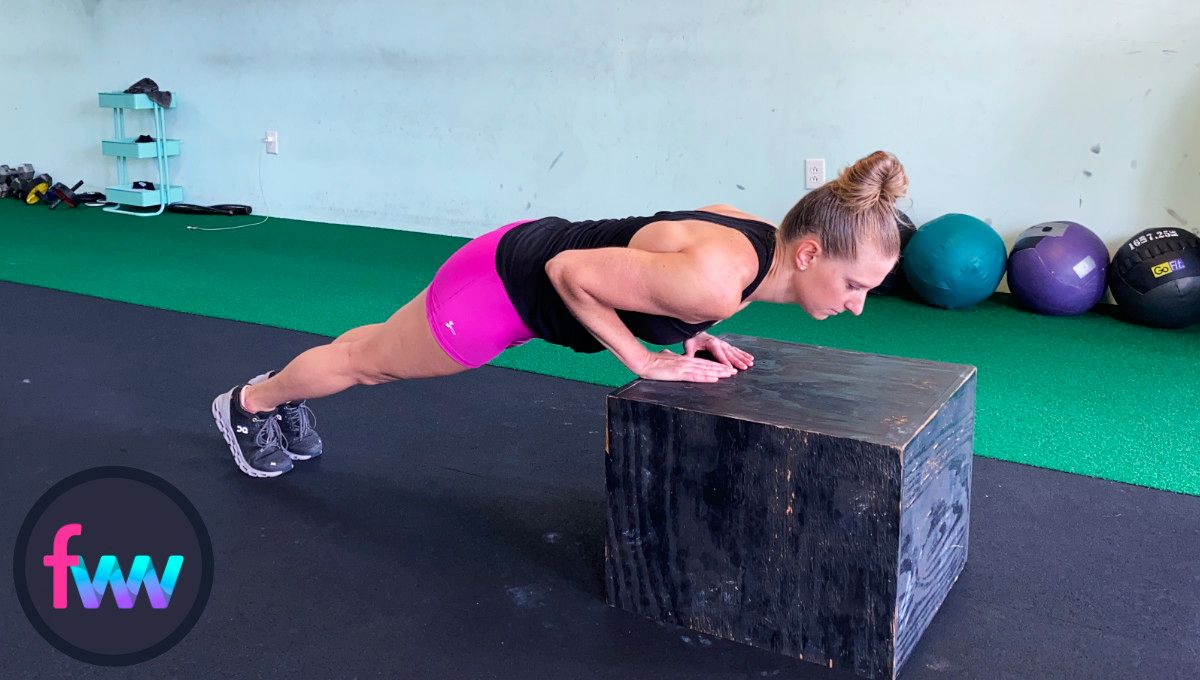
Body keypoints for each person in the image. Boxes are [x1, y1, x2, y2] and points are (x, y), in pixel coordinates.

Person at [212, 150, 908, 477]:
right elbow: (569, 273)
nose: (856, 306)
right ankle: (250, 403)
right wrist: (645, 359)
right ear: (810, 253)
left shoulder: (753, 238)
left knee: (375, 347)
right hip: (499, 292)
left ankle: (284, 391)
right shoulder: (718, 284)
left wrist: (691, 333)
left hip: (517, 252)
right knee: (370, 364)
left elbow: (658, 257)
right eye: (855, 285)